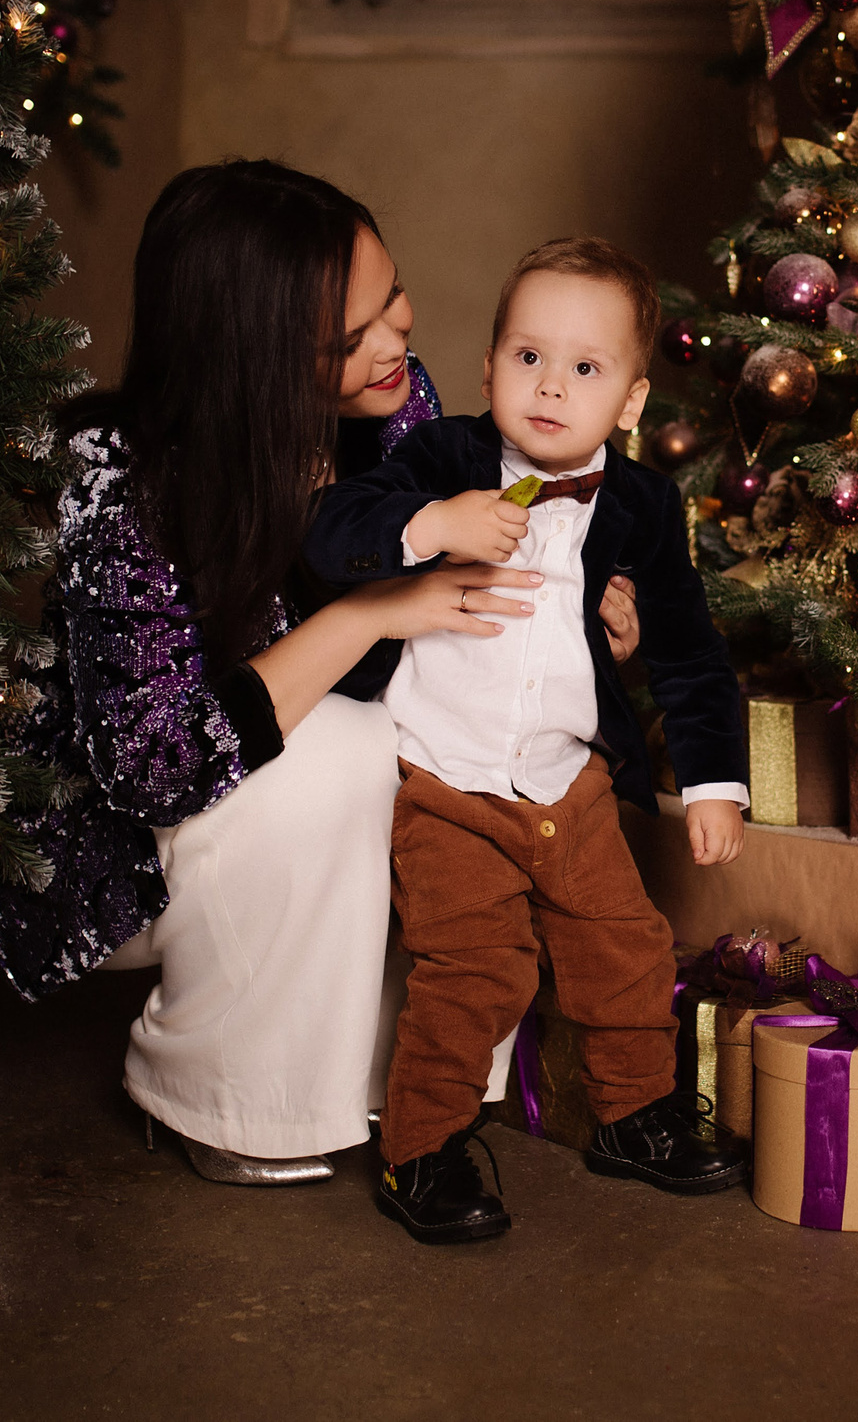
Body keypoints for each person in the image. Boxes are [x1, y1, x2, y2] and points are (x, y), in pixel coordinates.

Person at [0, 162, 640, 1187]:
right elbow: (153, 765)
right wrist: (367, 610)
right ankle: (233, 1095)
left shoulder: (397, 409)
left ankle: (413, 1075)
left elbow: (477, 597)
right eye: (350, 336)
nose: (395, 340)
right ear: (252, 352)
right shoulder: (126, 477)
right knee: (347, 749)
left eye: (392, 299)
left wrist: (582, 616)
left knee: (451, 747)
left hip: (313, 789)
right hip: (137, 846)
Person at [306, 236, 751, 1244]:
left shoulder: (640, 503)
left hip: (569, 779)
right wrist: (431, 523)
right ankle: (423, 1146)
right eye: (528, 357)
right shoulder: (441, 458)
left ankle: (633, 1115)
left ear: (630, 402)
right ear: (487, 368)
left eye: (585, 369)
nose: (552, 386)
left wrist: (715, 781)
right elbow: (333, 529)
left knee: (627, 948)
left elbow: (685, 646)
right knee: (478, 968)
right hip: (447, 781)